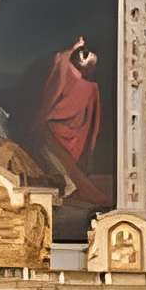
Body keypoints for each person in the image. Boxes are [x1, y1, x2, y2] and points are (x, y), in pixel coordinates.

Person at [30, 33, 107, 205]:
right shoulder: (73, 74)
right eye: (84, 55)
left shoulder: (87, 87)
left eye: (88, 59)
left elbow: (61, 61)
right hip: (56, 131)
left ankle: (64, 188)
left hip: (61, 132)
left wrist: (74, 49)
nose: (84, 58)